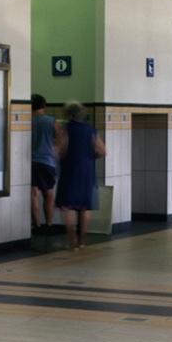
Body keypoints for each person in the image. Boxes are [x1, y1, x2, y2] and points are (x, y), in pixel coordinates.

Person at [54, 101, 107, 250]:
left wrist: (58, 156)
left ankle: (71, 240)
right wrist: (90, 157)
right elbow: (103, 151)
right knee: (84, 206)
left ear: (69, 115)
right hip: (87, 170)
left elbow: (59, 150)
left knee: (66, 206)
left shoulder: (68, 128)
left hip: (70, 169)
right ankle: (82, 241)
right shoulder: (90, 129)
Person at [30, 93, 58, 235]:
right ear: (44, 105)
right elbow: (60, 139)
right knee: (48, 194)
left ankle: (37, 225)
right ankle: (48, 224)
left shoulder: (27, 121)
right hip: (47, 162)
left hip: (30, 162)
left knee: (33, 194)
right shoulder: (51, 121)